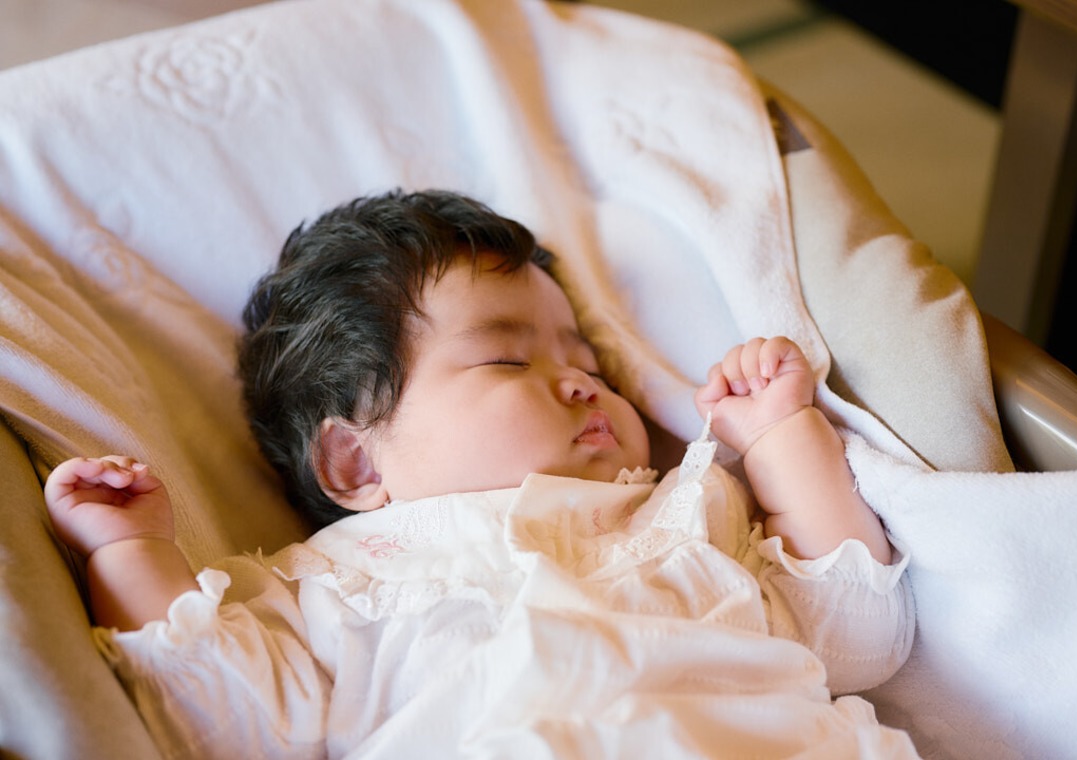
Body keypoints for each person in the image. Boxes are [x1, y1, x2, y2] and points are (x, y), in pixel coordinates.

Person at [45, 190, 917, 758]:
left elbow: (858, 640)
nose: (583, 380)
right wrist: (128, 552)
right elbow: (217, 723)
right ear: (353, 460)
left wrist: (780, 437)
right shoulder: (332, 588)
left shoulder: (685, 509)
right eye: (506, 360)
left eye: (589, 360)